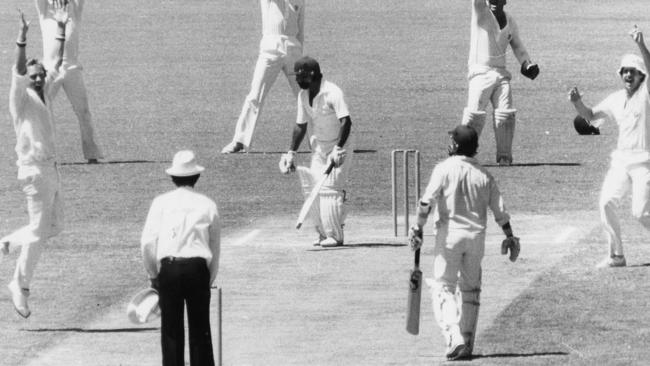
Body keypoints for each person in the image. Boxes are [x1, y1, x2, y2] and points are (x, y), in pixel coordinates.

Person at [408, 125, 520, 360]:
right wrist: (509, 235)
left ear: (456, 145)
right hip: (476, 239)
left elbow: (426, 202)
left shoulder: (444, 169)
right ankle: (467, 343)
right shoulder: (484, 175)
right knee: (471, 290)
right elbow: (500, 209)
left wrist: (418, 227)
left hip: (449, 237)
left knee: (443, 287)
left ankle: (454, 338)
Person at [1, 6, 68, 318]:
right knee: (39, 231)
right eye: (35, 76)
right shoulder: (21, 99)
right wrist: (22, 38)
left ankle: (9, 242)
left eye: (40, 75)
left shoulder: (45, 93)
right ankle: (20, 285)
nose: (40, 78)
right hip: (33, 171)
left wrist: (61, 31)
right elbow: (17, 72)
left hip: (50, 170)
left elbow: (55, 62)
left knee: (53, 226)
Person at [569, 25, 650, 268]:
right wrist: (577, 102)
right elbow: (590, 115)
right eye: (625, 72)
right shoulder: (616, 99)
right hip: (621, 161)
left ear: (641, 76)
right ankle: (616, 255)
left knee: (640, 213)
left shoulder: (646, 94)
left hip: (644, 162)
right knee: (606, 202)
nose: (628, 76)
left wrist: (640, 44)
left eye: (633, 72)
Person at [141, 150, 220, 366]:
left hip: (169, 268)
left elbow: (148, 242)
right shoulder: (207, 204)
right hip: (197, 269)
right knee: (200, 329)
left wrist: (153, 274)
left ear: (173, 177)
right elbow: (214, 247)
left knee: (171, 331)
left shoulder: (161, 202)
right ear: (197, 176)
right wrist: (209, 278)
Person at [278, 56, 352, 247]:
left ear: (312, 74)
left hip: (340, 144)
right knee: (313, 186)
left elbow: (346, 121)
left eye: (300, 76)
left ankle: (335, 235)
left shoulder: (333, 92)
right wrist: (291, 153)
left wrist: (338, 148)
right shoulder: (303, 96)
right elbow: (300, 126)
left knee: (329, 188)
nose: (297, 80)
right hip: (319, 146)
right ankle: (322, 233)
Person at [462, 0, 540, 165]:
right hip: (480, 72)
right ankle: (463, 153)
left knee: (506, 114)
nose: (494, 2)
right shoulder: (480, 12)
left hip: (501, 73)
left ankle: (504, 156)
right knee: (475, 114)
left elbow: (518, 46)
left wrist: (527, 64)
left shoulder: (510, 20)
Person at [221, 0, 305, 153]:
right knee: (255, 95)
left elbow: (301, 29)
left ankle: (320, 139)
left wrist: (300, 55)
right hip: (270, 49)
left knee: (305, 96)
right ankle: (239, 140)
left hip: (293, 50)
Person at [36, 0, 104, 163]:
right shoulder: (45, 13)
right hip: (50, 70)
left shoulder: (75, 13)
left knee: (84, 112)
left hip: (72, 69)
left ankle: (92, 154)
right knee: (42, 112)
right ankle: (45, 155)